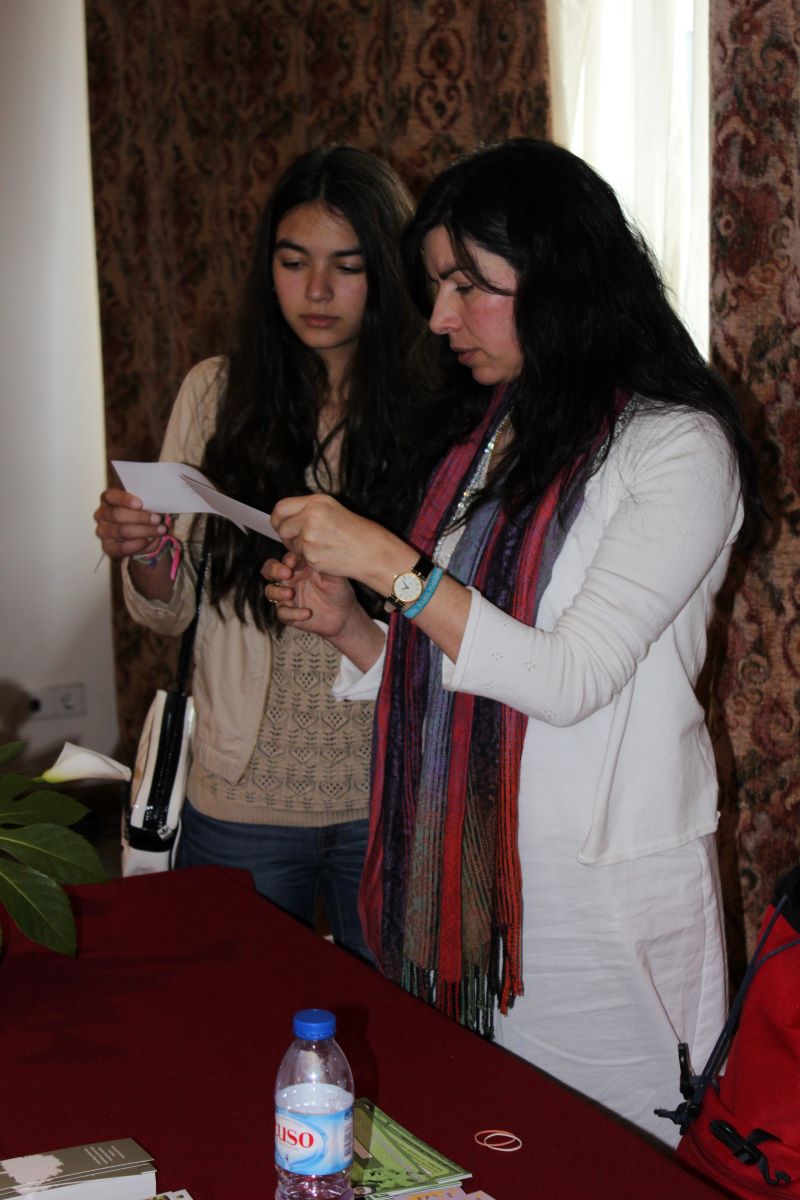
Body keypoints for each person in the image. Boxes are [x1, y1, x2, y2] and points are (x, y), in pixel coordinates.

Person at [262, 138, 759, 1142]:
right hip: (464, 881)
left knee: (608, 1156)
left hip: (594, 899)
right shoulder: (490, 438)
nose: (439, 319)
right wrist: (354, 625)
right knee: (480, 1139)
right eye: (437, 287)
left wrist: (393, 567)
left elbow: (569, 677)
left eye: (468, 286)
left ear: (559, 275)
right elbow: (452, 675)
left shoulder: (678, 449)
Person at [93, 146, 435, 960]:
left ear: (388, 273)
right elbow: (170, 607)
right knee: (233, 1008)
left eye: (346, 267)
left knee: (399, 1017)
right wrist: (144, 550)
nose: (315, 291)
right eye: (293, 262)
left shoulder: (434, 407)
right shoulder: (216, 393)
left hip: (389, 791)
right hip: (240, 792)